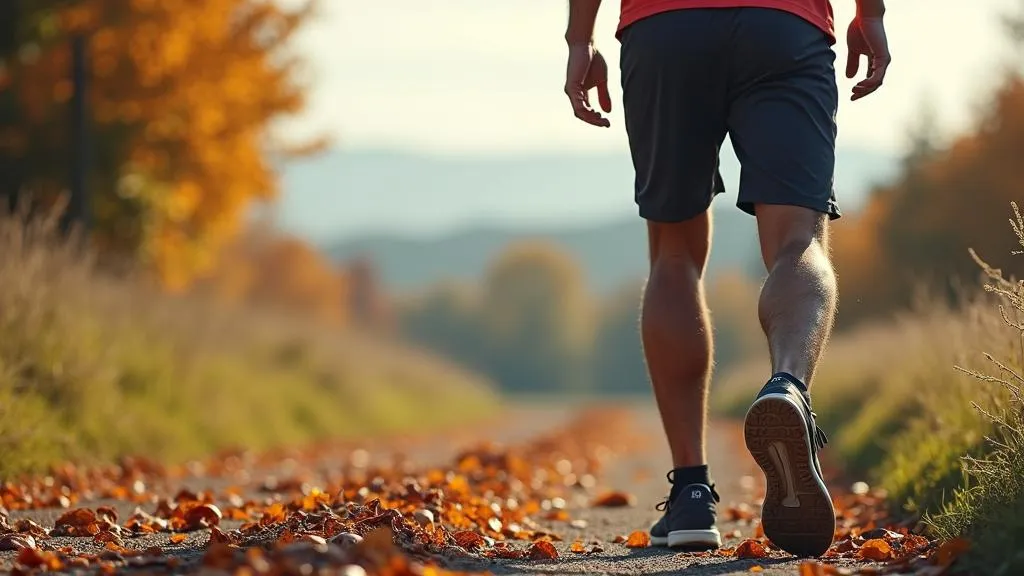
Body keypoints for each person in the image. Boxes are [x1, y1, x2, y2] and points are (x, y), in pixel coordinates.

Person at [562, 0, 890, 559]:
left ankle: (691, 492)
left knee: (674, 255)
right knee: (798, 242)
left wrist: (578, 40)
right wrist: (873, 16)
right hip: (784, 25)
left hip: (665, 27)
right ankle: (788, 387)